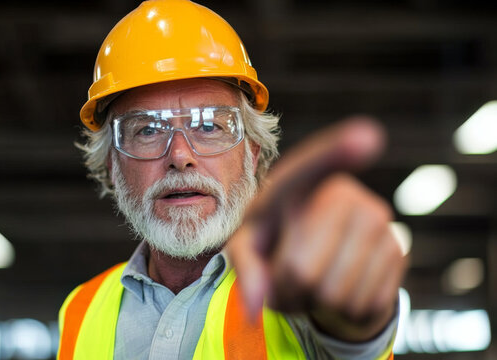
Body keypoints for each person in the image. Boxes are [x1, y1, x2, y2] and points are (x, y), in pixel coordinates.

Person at [57, 0, 407, 359]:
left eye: (210, 126)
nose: (180, 156)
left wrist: (353, 311)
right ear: (113, 165)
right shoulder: (79, 309)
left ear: (252, 153)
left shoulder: (292, 286)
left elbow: (352, 333)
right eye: (147, 130)